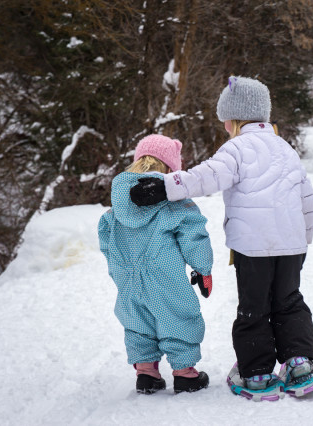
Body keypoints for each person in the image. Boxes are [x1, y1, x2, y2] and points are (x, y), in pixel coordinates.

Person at [128, 76, 313, 400]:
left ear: (234, 120)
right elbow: (308, 199)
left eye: (224, 122)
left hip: (252, 248)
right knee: (289, 302)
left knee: (254, 308)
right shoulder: (285, 148)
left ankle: (257, 374)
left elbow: (206, 176)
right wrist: (304, 238)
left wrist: (165, 187)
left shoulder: (236, 148)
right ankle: (299, 363)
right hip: (291, 246)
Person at [98, 134, 214, 394]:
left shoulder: (118, 205)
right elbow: (194, 235)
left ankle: (147, 373)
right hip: (165, 272)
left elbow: (105, 237)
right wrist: (203, 268)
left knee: (137, 318)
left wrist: (117, 266)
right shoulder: (174, 202)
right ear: (171, 169)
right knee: (177, 314)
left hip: (127, 273)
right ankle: (185, 373)